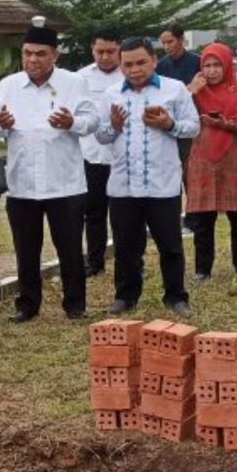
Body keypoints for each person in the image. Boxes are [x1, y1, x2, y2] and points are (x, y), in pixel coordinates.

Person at [0, 23, 97, 322]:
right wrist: (3, 123)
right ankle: (27, 304)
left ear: (55, 55)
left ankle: (75, 305)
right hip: (23, 183)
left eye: (40, 54)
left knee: (70, 248)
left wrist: (72, 122)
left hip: (65, 183)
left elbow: (93, 121)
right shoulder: (9, 84)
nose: (32, 60)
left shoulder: (74, 83)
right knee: (26, 249)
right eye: (27, 53)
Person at [96, 37, 200, 317]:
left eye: (141, 62)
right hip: (123, 185)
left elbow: (193, 127)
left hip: (162, 184)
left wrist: (169, 124)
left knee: (170, 245)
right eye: (127, 64)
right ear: (121, 66)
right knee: (126, 247)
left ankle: (176, 296)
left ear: (154, 61)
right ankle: (126, 296)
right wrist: (114, 127)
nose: (135, 69)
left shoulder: (174, 90)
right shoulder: (111, 95)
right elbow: (100, 136)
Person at [185, 43, 237, 279]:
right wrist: (190, 92)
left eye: (217, 65)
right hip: (202, 159)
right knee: (203, 219)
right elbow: (177, 116)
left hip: (233, 160)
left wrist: (225, 122)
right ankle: (202, 270)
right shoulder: (196, 90)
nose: (212, 71)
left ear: (227, 64)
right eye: (206, 65)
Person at [77, 29, 124, 277]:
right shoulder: (80, 78)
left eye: (110, 51)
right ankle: (94, 263)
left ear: (119, 49)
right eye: (100, 51)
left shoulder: (131, 75)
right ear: (92, 50)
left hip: (122, 156)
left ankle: (126, 262)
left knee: (123, 214)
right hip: (91, 155)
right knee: (93, 212)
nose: (105, 56)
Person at [157, 23, 202, 231]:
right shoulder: (161, 66)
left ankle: (193, 218)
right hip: (166, 127)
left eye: (170, 41)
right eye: (163, 43)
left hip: (190, 125)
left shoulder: (197, 62)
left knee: (189, 174)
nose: (167, 46)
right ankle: (171, 219)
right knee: (170, 173)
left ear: (182, 39)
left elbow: (201, 90)